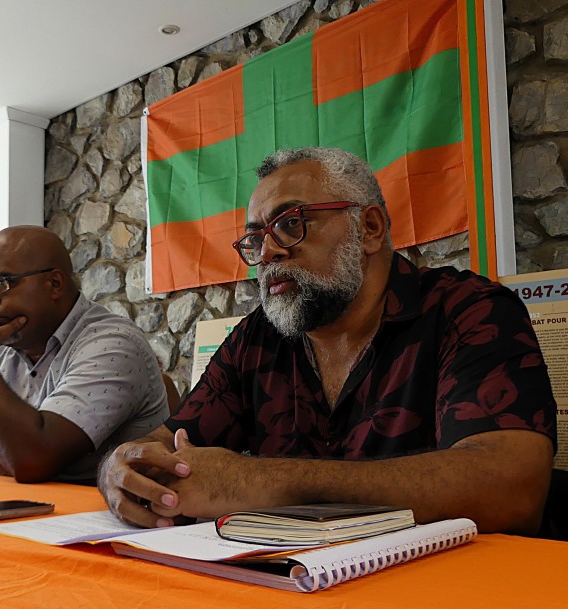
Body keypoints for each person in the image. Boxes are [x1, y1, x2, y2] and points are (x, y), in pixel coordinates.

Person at [98, 147, 557, 535]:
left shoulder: (468, 310)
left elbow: (511, 491)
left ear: (369, 229)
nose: (268, 252)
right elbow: (162, 446)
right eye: (255, 239)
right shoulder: (258, 337)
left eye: (291, 223)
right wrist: (119, 470)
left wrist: (257, 482)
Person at [0, 226, 168, 484]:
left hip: (110, 509)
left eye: (2, 284)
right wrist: (3, 461)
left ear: (54, 284)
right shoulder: (5, 350)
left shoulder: (114, 344)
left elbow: (32, 460)